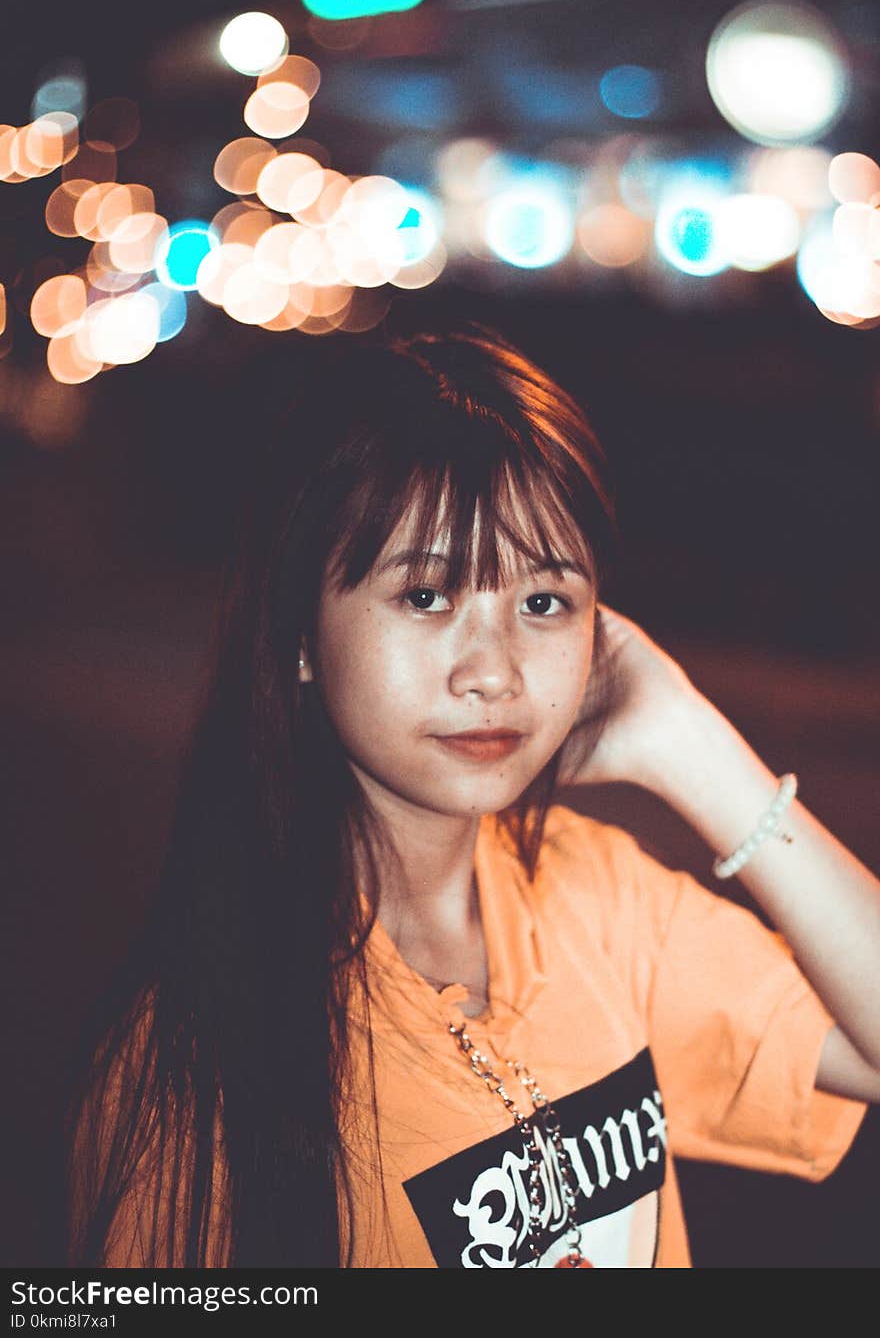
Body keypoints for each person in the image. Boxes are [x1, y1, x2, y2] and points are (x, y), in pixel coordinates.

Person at [64, 325, 877, 1269]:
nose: (494, 673)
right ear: (298, 631)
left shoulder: (595, 897)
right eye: (427, 596)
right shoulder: (189, 1061)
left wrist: (694, 747)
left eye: (543, 603)